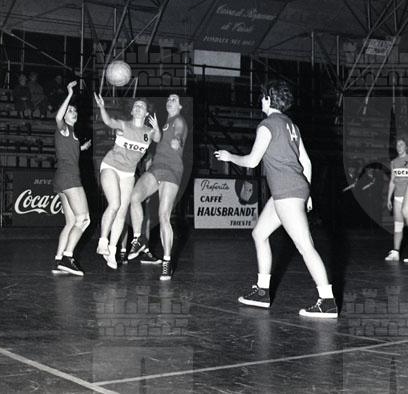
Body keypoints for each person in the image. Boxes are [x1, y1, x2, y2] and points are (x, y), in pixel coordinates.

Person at [214, 80, 338, 319]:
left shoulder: (267, 125)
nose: (260, 100)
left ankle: (327, 300)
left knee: (305, 246)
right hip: (293, 189)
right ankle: (262, 292)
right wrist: (308, 193)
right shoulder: (292, 125)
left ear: (269, 99)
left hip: (286, 192)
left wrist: (230, 157)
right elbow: (306, 162)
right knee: (259, 233)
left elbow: (252, 161)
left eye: (263, 96)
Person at [94, 93, 161, 269]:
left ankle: (112, 250)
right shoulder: (124, 125)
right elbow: (108, 121)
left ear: (146, 113)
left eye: (141, 106)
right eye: (135, 106)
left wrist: (156, 128)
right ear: (132, 111)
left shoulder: (148, 132)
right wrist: (102, 107)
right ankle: (102, 241)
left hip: (128, 173)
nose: (138, 108)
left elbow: (157, 139)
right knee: (115, 204)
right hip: (111, 166)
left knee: (123, 212)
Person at [128, 94, 188, 280]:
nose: (170, 101)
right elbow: (157, 140)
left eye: (174, 100)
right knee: (135, 197)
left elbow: (179, 133)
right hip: (156, 167)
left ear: (180, 106)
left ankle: (167, 262)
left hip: (172, 169)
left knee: (163, 216)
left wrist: (177, 140)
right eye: (168, 99)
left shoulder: (179, 120)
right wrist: (155, 132)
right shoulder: (164, 123)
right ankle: (139, 239)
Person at [51, 81, 92, 276]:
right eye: (70, 110)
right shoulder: (64, 128)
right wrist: (69, 94)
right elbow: (57, 117)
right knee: (84, 220)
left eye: (75, 110)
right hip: (69, 179)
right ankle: (68, 256)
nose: (73, 112)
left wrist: (81, 148)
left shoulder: (71, 135)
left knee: (70, 222)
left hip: (61, 179)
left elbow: (69, 153)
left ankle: (58, 260)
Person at [385, 139, 408, 261]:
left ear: (406, 147)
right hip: (397, 197)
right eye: (397, 145)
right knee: (398, 225)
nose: (399, 146)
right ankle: (396, 252)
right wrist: (389, 198)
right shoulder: (394, 162)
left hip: (407, 196)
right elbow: (392, 181)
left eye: (401, 144)